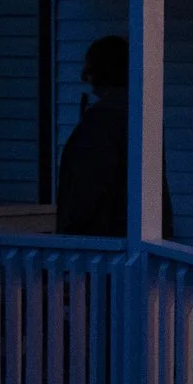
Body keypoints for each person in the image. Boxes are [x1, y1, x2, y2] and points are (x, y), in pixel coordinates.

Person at [55, 36, 130, 235]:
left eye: (89, 70)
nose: (83, 77)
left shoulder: (103, 121)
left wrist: (70, 227)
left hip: (100, 243)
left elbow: (88, 185)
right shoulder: (140, 116)